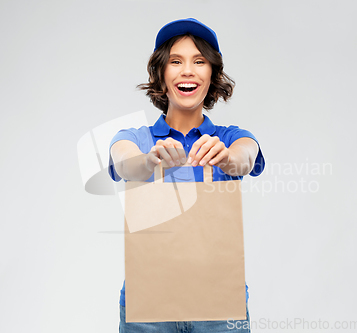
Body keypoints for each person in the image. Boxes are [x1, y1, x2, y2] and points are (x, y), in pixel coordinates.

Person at [108, 18, 265, 333]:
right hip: (147, 306)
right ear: (161, 75)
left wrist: (228, 158)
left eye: (199, 61)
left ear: (212, 76)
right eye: (176, 61)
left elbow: (246, 158)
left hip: (219, 307)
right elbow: (124, 162)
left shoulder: (231, 137)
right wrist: (149, 160)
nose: (188, 70)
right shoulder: (135, 138)